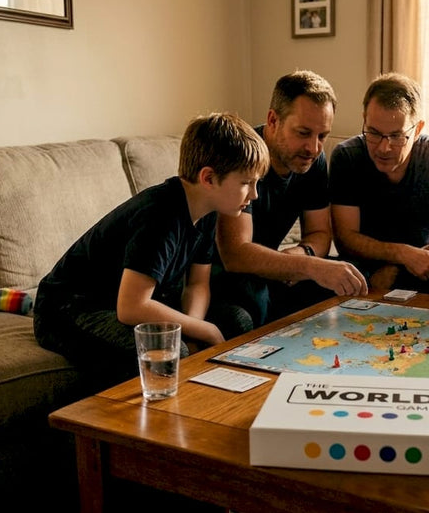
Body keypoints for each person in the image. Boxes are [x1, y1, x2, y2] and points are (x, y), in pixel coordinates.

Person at [33, 113, 269, 388]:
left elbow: (197, 285)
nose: (254, 195)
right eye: (246, 183)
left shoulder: (207, 212)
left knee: (237, 320)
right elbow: (131, 307)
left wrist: (194, 329)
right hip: (69, 309)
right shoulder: (160, 216)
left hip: (128, 302)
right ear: (208, 178)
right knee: (167, 351)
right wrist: (204, 331)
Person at [214, 70, 367, 327]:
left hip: (271, 268)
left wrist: (302, 254)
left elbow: (320, 233)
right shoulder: (242, 157)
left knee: (346, 277)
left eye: (322, 136)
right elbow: (236, 254)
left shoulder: (313, 160)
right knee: (255, 296)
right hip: (221, 274)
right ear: (273, 120)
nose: (314, 148)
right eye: (303, 133)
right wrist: (307, 265)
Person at [329, 73, 429, 294]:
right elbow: (346, 240)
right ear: (364, 119)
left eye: (396, 136)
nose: (383, 148)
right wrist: (403, 255)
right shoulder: (347, 157)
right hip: (366, 263)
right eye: (374, 133)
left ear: (417, 130)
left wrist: (402, 265)